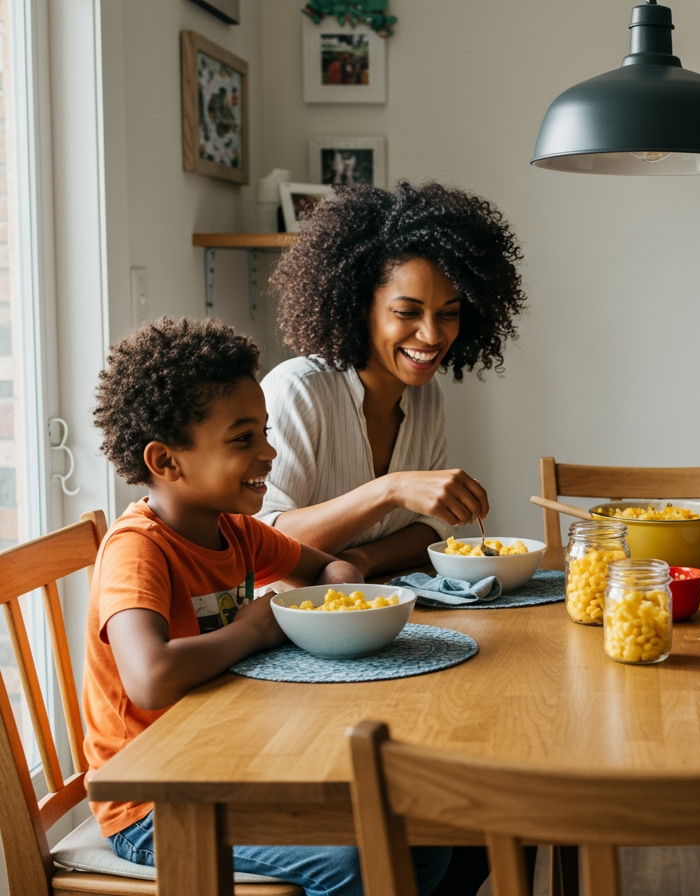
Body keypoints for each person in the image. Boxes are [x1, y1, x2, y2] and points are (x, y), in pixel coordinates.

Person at [84, 317, 451, 896]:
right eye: (242, 439)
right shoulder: (138, 550)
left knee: (436, 835)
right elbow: (150, 680)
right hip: (155, 802)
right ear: (165, 461)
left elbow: (327, 568)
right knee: (357, 863)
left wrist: (342, 581)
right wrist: (257, 629)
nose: (268, 452)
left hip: (229, 759)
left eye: (264, 431)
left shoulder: (236, 530)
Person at [261, 180, 527, 579]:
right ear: (358, 305)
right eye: (407, 312)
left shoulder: (425, 396)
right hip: (290, 626)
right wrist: (392, 489)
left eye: (449, 313)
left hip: (387, 610)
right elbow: (262, 544)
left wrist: (361, 561)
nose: (433, 335)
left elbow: (434, 528)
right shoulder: (298, 391)